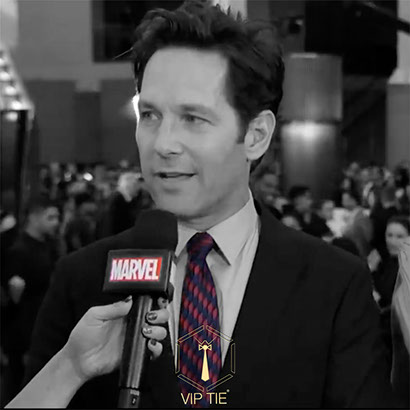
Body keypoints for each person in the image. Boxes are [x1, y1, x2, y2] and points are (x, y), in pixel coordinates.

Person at [25, 1, 396, 408]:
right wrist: (69, 370)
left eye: (193, 119)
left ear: (255, 135)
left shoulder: (333, 285)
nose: (163, 144)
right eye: (149, 115)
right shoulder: (82, 280)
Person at [2, 196, 60, 403]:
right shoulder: (19, 250)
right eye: (50, 217)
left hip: (42, 324)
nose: (56, 222)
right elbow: (14, 298)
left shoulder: (50, 246)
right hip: (24, 331)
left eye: (57, 217)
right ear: (34, 218)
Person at [96, 172, 142, 238]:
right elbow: (111, 225)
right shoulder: (117, 200)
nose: (138, 188)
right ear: (128, 186)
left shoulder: (122, 199)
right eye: (135, 185)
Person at [341, 189, 373, 258]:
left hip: (359, 253)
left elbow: (367, 237)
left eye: (345, 200)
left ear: (353, 200)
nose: (343, 202)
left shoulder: (361, 216)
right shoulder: (352, 214)